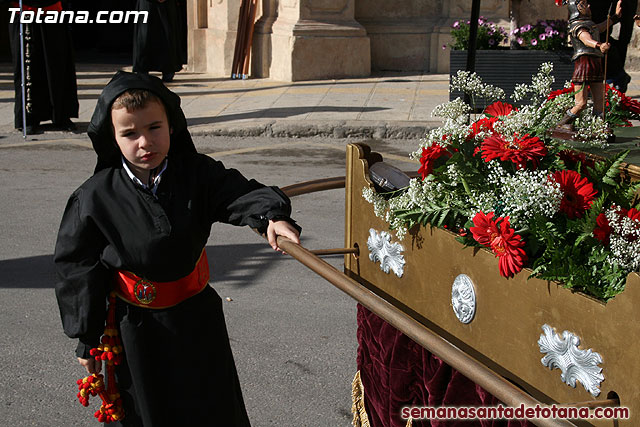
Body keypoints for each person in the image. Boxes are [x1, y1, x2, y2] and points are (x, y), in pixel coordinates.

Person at [53, 71, 301, 426]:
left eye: (154, 127)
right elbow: (76, 269)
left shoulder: (196, 174)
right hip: (134, 332)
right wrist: (87, 337)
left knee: (211, 408)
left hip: (197, 321)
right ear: (113, 137)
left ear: (172, 125)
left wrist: (270, 217)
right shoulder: (94, 197)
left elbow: (237, 193)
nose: (145, 142)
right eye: (130, 133)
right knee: (148, 412)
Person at [8, 0, 79, 133]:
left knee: (58, 66)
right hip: (26, 13)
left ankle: (61, 116)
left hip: (52, 11)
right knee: (28, 69)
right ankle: (29, 118)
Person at [556, 0, 623, 130]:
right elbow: (586, 39)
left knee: (599, 100)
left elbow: (603, 26)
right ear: (577, 8)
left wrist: (615, 16)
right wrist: (599, 45)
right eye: (584, 4)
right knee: (581, 103)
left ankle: (598, 125)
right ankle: (563, 122)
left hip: (595, 63)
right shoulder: (578, 26)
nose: (589, 6)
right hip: (584, 64)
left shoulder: (590, 25)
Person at [133, 0, 184, 82]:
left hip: (167, 4)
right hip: (147, 3)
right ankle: (142, 71)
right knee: (145, 36)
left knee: (167, 35)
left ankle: (168, 70)